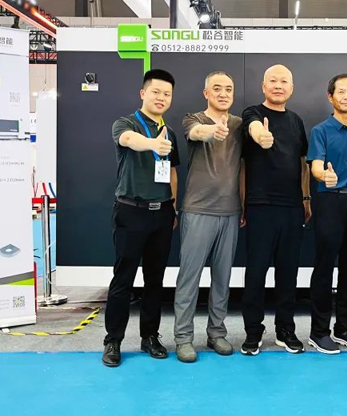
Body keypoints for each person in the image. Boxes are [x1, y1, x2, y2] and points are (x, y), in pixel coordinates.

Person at [102, 69, 180, 368]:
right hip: (130, 211)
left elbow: (172, 172)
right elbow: (128, 140)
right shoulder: (126, 123)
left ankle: (150, 336)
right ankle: (113, 340)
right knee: (123, 279)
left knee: (155, 280)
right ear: (143, 93)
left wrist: (173, 205)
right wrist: (152, 144)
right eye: (156, 92)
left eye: (167, 94)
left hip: (162, 214)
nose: (161, 98)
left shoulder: (169, 133)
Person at [173, 71, 244, 363]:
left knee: (222, 278)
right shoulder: (193, 119)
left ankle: (216, 333)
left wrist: (244, 204)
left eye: (228, 89)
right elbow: (195, 133)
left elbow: (244, 166)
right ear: (206, 93)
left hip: (230, 211)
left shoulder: (239, 124)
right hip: (198, 209)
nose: (223, 93)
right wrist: (212, 130)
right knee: (189, 278)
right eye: (217, 88)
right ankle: (183, 338)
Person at [241, 64, 311, 356]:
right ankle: (253, 331)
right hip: (260, 206)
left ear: (291, 88)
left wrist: (306, 198)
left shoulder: (296, 121)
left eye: (284, 81)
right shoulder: (252, 113)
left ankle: (285, 329)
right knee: (256, 272)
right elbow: (254, 130)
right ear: (263, 86)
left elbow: (303, 163)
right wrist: (262, 136)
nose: (278, 85)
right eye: (273, 81)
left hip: (292, 207)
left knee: (288, 273)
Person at [306, 73, 347, 355]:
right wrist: (324, 176)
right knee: (324, 267)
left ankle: (344, 328)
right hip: (330, 201)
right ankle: (319, 332)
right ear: (330, 96)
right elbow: (315, 166)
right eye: (341, 91)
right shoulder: (320, 131)